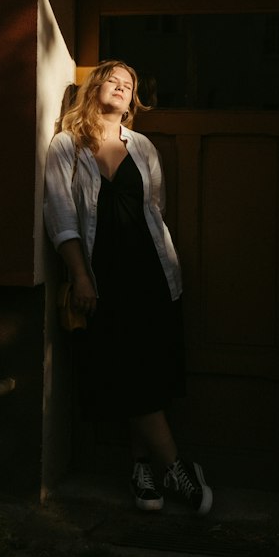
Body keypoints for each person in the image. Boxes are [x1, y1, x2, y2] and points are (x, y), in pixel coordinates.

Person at [44, 59, 213, 515]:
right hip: (102, 279)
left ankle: (141, 470)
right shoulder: (67, 145)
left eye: (129, 84)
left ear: (133, 99)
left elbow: (154, 209)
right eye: (112, 80)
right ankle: (175, 466)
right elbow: (60, 216)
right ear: (95, 87)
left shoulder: (142, 147)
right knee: (125, 370)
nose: (120, 87)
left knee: (147, 372)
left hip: (152, 275)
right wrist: (80, 275)